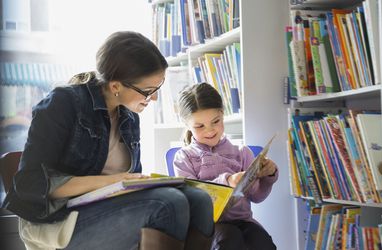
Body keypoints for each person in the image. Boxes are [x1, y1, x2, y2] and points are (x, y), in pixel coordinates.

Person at [3, 31, 214, 250]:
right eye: (148, 91)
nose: (154, 98)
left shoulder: (129, 116)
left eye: (157, 88)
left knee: (200, 199)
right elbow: (30, 183)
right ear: (115, 87)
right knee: (168, 202)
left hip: (104, 207)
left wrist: (139, 182)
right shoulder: (63, 103)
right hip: (55, 219)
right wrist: (114, 181)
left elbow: (131, 180)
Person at [173, 82, 279, 250]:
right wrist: (227, 181)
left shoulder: (242, 152)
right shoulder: (184, 157)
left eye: (216, 121)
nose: (210, 131)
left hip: (243, 221)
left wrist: (268, 177)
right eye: (199, 126)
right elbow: (191, 200)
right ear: (187, 125)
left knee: (262, 241)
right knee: (229, 239)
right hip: (207, 226)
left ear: (222, 114)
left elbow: (257, 197)